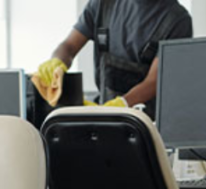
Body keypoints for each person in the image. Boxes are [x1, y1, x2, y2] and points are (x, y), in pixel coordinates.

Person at [36, 0, 193, 116]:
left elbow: (154, 81)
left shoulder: (177, 19)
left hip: (146, 122)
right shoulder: (103, 4)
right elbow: (69, 46)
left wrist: (121, 104)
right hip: (104, 111)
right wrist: (56, 62)